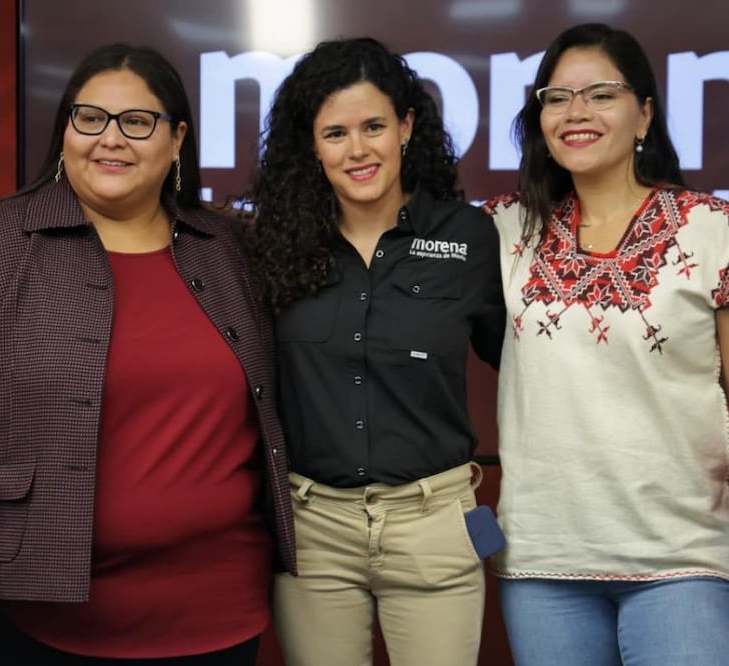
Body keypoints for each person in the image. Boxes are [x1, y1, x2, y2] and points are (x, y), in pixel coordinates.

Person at [0, 43, 295, 666]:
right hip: (30, 616)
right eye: (90, 117)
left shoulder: (231, 248)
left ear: (177, 139)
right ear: (66, 130)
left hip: (217, 609)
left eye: (138, 121)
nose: (111, 138)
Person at [484, 23, 729, 666]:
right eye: (556, 97)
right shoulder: (503, 229)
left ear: (645, 114)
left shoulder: (715, 230)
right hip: (544, 564)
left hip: (683, 561)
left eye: (601, 94)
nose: (576, 112)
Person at [245, 37, 505, 666]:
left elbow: (529, 368)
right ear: (311, 145)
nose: (357, 150)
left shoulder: (468, 236)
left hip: (434, 523)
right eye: (335, 133)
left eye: (373, 127)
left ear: (406, 126)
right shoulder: (272, 245)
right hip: (314, 529)